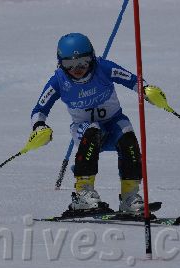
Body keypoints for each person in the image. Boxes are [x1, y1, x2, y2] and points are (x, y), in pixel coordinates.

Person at [30, 32, 145, 214]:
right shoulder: (59, 80)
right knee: (92, 130)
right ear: (60, 63)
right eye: (69, 64)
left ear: (92, 58)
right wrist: (39, 126)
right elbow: (39, 110)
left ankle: (130, 196)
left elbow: (133, 81)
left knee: (128, 136)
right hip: (84, 128)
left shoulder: (103, 68)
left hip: (113, 122)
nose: (77, 69)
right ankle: (83, 194)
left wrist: (146, 90)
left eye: (83, 62)